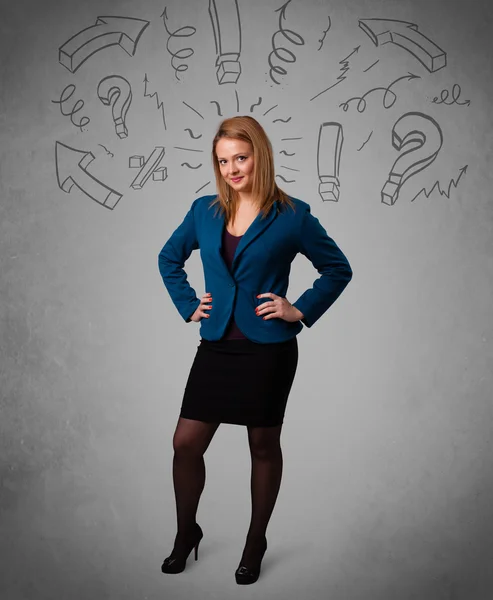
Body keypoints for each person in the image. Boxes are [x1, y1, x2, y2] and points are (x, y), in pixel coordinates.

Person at [157, 115, 353, 584]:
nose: (231, 169)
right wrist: (189, 305)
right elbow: (168, 258)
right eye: (223, 161)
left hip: (268, 349)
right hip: (217, 344)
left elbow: (337, 269)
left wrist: (299, 309)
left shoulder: (293, 215)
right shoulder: (203, 210)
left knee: (262, 446)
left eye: (240, 158)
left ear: (259, 156)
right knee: (185, 444)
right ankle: (187, 533)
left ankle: (254, 540)